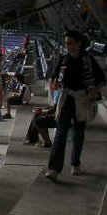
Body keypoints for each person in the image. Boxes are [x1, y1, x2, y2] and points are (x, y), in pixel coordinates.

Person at [45, 30, 105, 182]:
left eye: (70, 43)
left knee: (78, 133)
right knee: (61, 133)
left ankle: (75, 162)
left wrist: (94, 91)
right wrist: (54, 84)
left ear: (79, 43)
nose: (67, 46)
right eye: (66, 43)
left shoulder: (88, 60)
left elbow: (101, 79)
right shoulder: (64, 59)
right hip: (67, 99)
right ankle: (54, 169)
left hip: (82, 100)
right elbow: (53, 78)